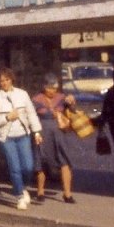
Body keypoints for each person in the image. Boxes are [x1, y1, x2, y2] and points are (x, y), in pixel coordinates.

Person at [0, 67, 43, 210]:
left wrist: (36, 132)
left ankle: (23, 187)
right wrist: (6, 117)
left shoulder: (22, 94)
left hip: (23, 135)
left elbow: (31, 114)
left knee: (28, 166)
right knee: (15, 168)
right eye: (1, 81)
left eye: (7, 80)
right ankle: (19, 196)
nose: (4, 83)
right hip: (7, 138)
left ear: (11, 79)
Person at [31, 73, 76, 203]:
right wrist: (35, 133)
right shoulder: (36, 99)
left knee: (64, 161)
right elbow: (30, 116)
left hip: (59, 134)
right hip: (42, 133)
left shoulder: (62, 98)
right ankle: (40, 192)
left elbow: (73, 110)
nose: (52, 91)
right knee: (41, 161)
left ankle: (67, 194)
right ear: (44, 87)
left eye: (54, 88)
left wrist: (72, 102)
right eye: (49, 88)